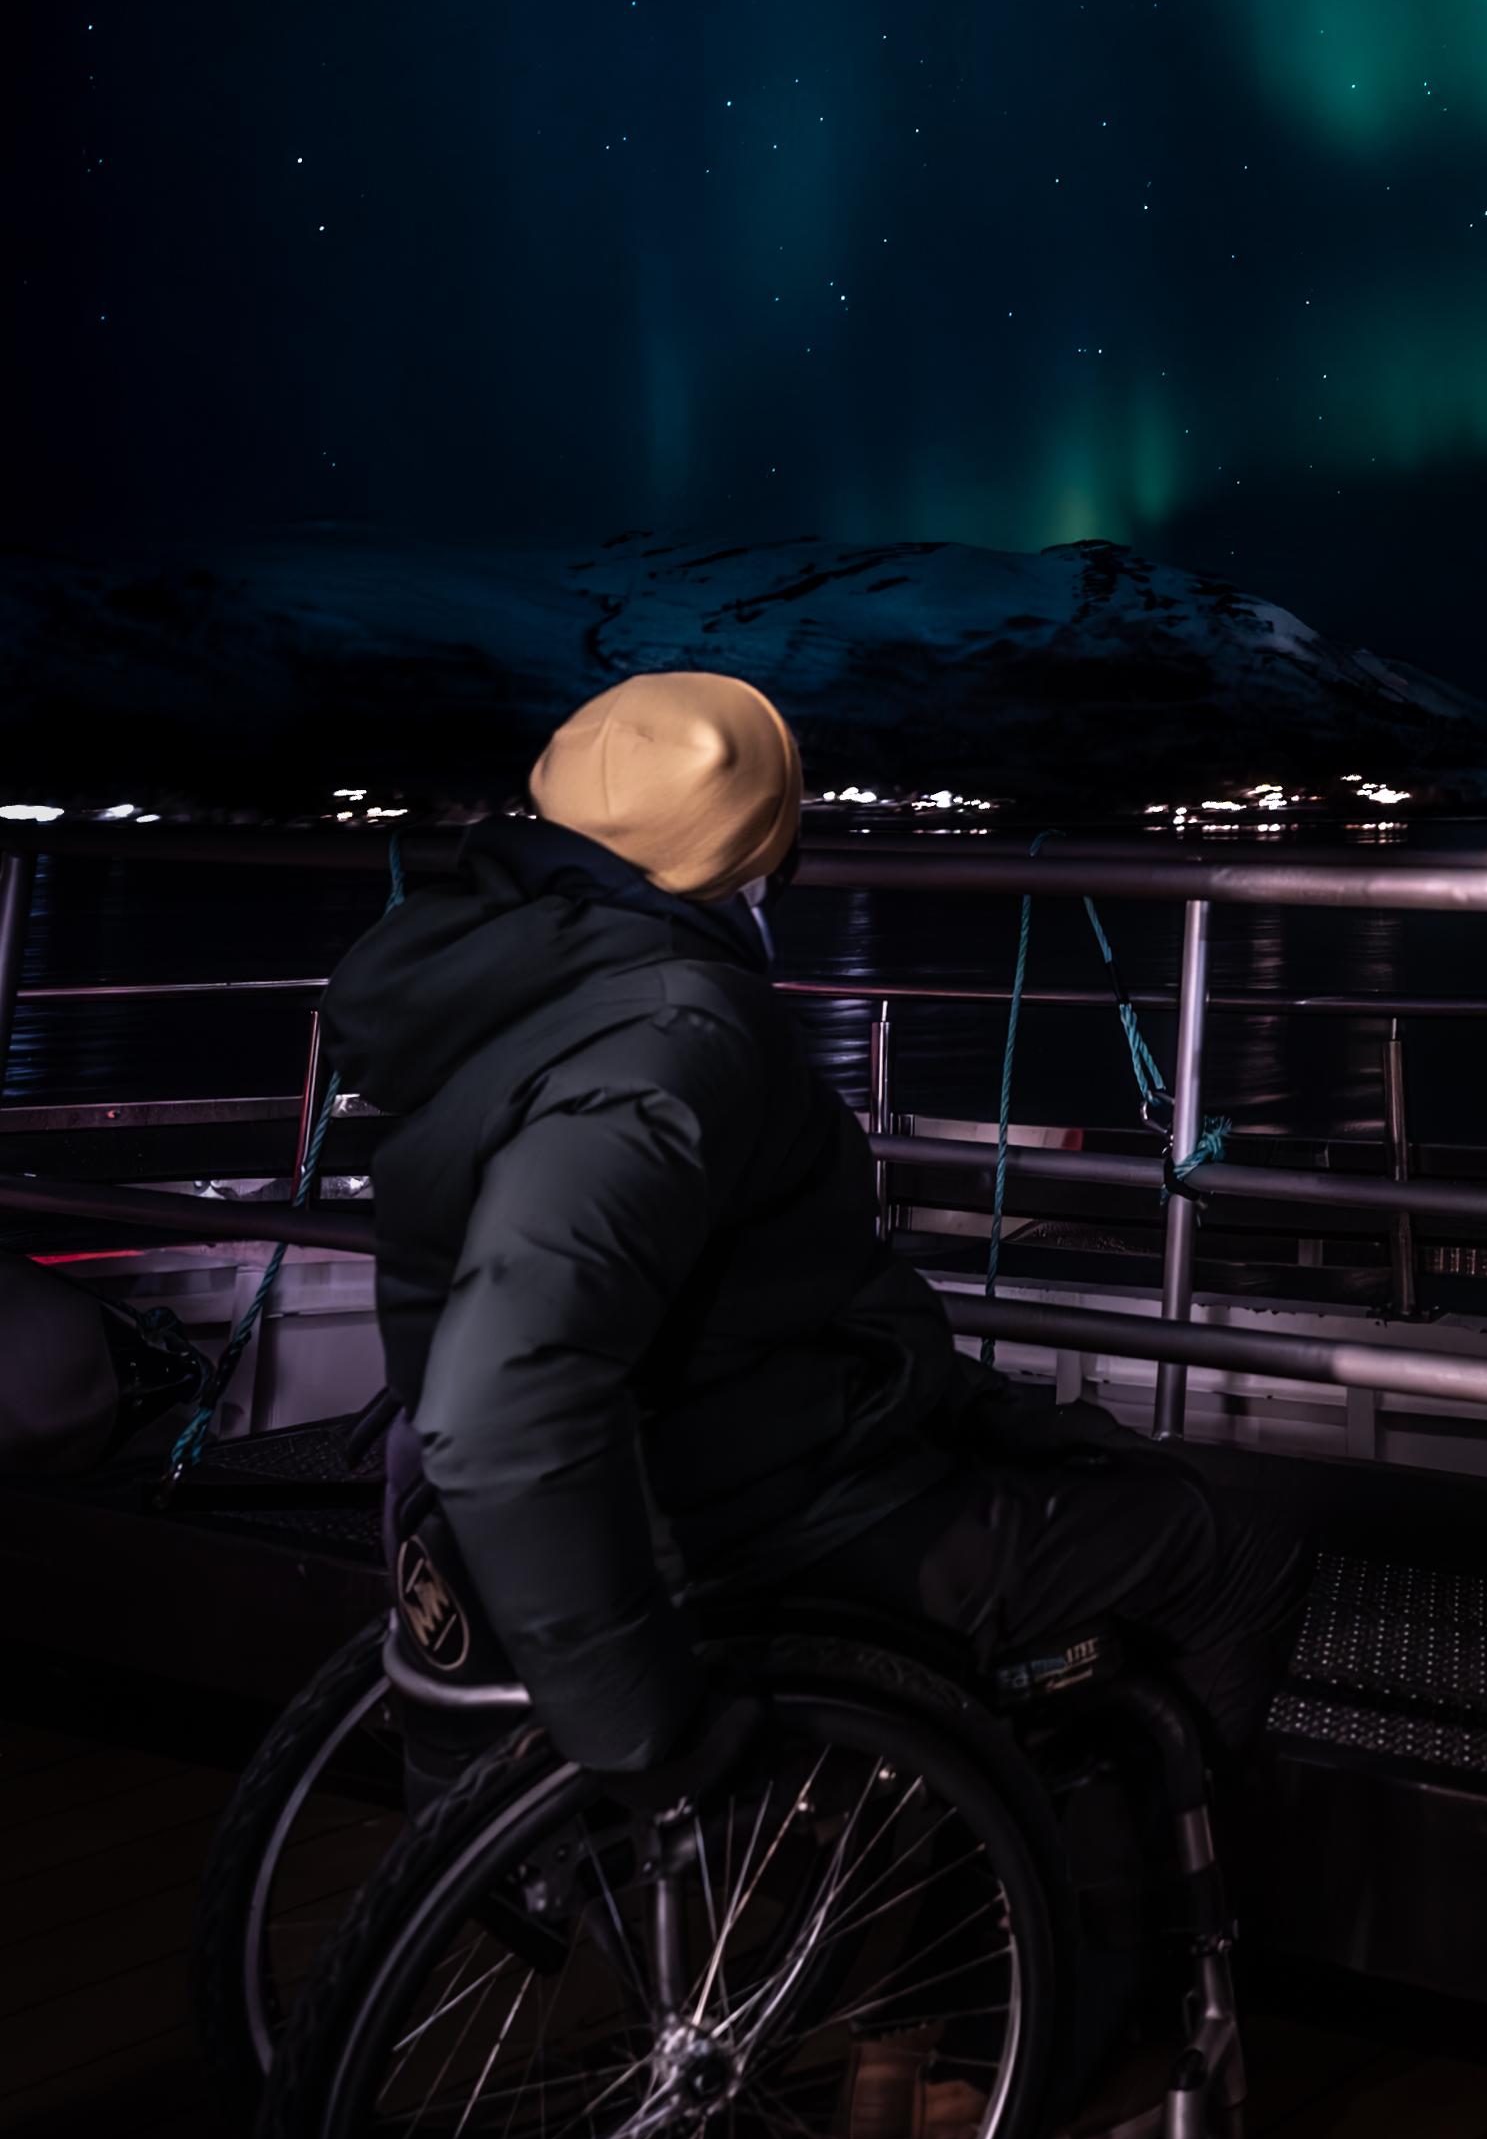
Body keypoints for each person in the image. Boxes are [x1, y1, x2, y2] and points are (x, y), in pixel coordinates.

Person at [328, 668, 1302, 1810]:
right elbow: (507, 1388)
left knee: (1045, 1447)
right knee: (1236, 1547)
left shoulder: (501, 974)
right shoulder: (672, 1038)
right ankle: (1094, 1968)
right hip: (760, 1520)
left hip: (721, 1441)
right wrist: (641, 1725)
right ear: (752, 851)